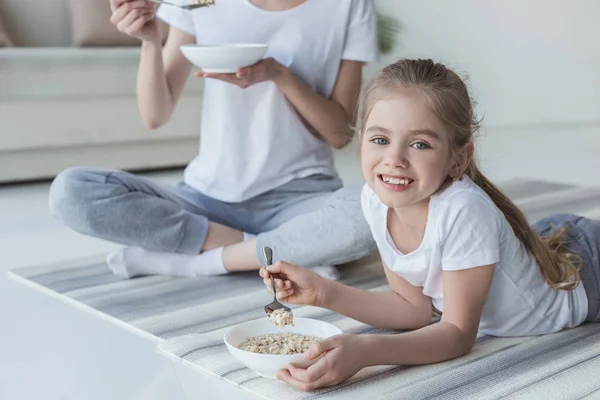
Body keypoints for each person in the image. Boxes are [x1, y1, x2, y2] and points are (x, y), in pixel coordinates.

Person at [259, 58, 600, 391]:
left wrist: (365, 351)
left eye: (420, 144)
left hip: (589, 276)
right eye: (380, 140)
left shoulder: (465, 211)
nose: (394, 159)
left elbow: (456, 333)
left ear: (458, 158)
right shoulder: (376, 199)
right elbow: (413, 309)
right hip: (551, 248)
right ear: (361, 139)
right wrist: (322, 291)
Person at [48, 0, 379, 279]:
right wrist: (150, 42)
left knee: (372, 213)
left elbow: (339, 134)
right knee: (71, 192)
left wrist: (279, 75)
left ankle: (199, 262)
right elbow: (155, 114)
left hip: (300, 199)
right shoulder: (199, 1)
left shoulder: (348, 4)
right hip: (206, 200)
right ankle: (279, 252)